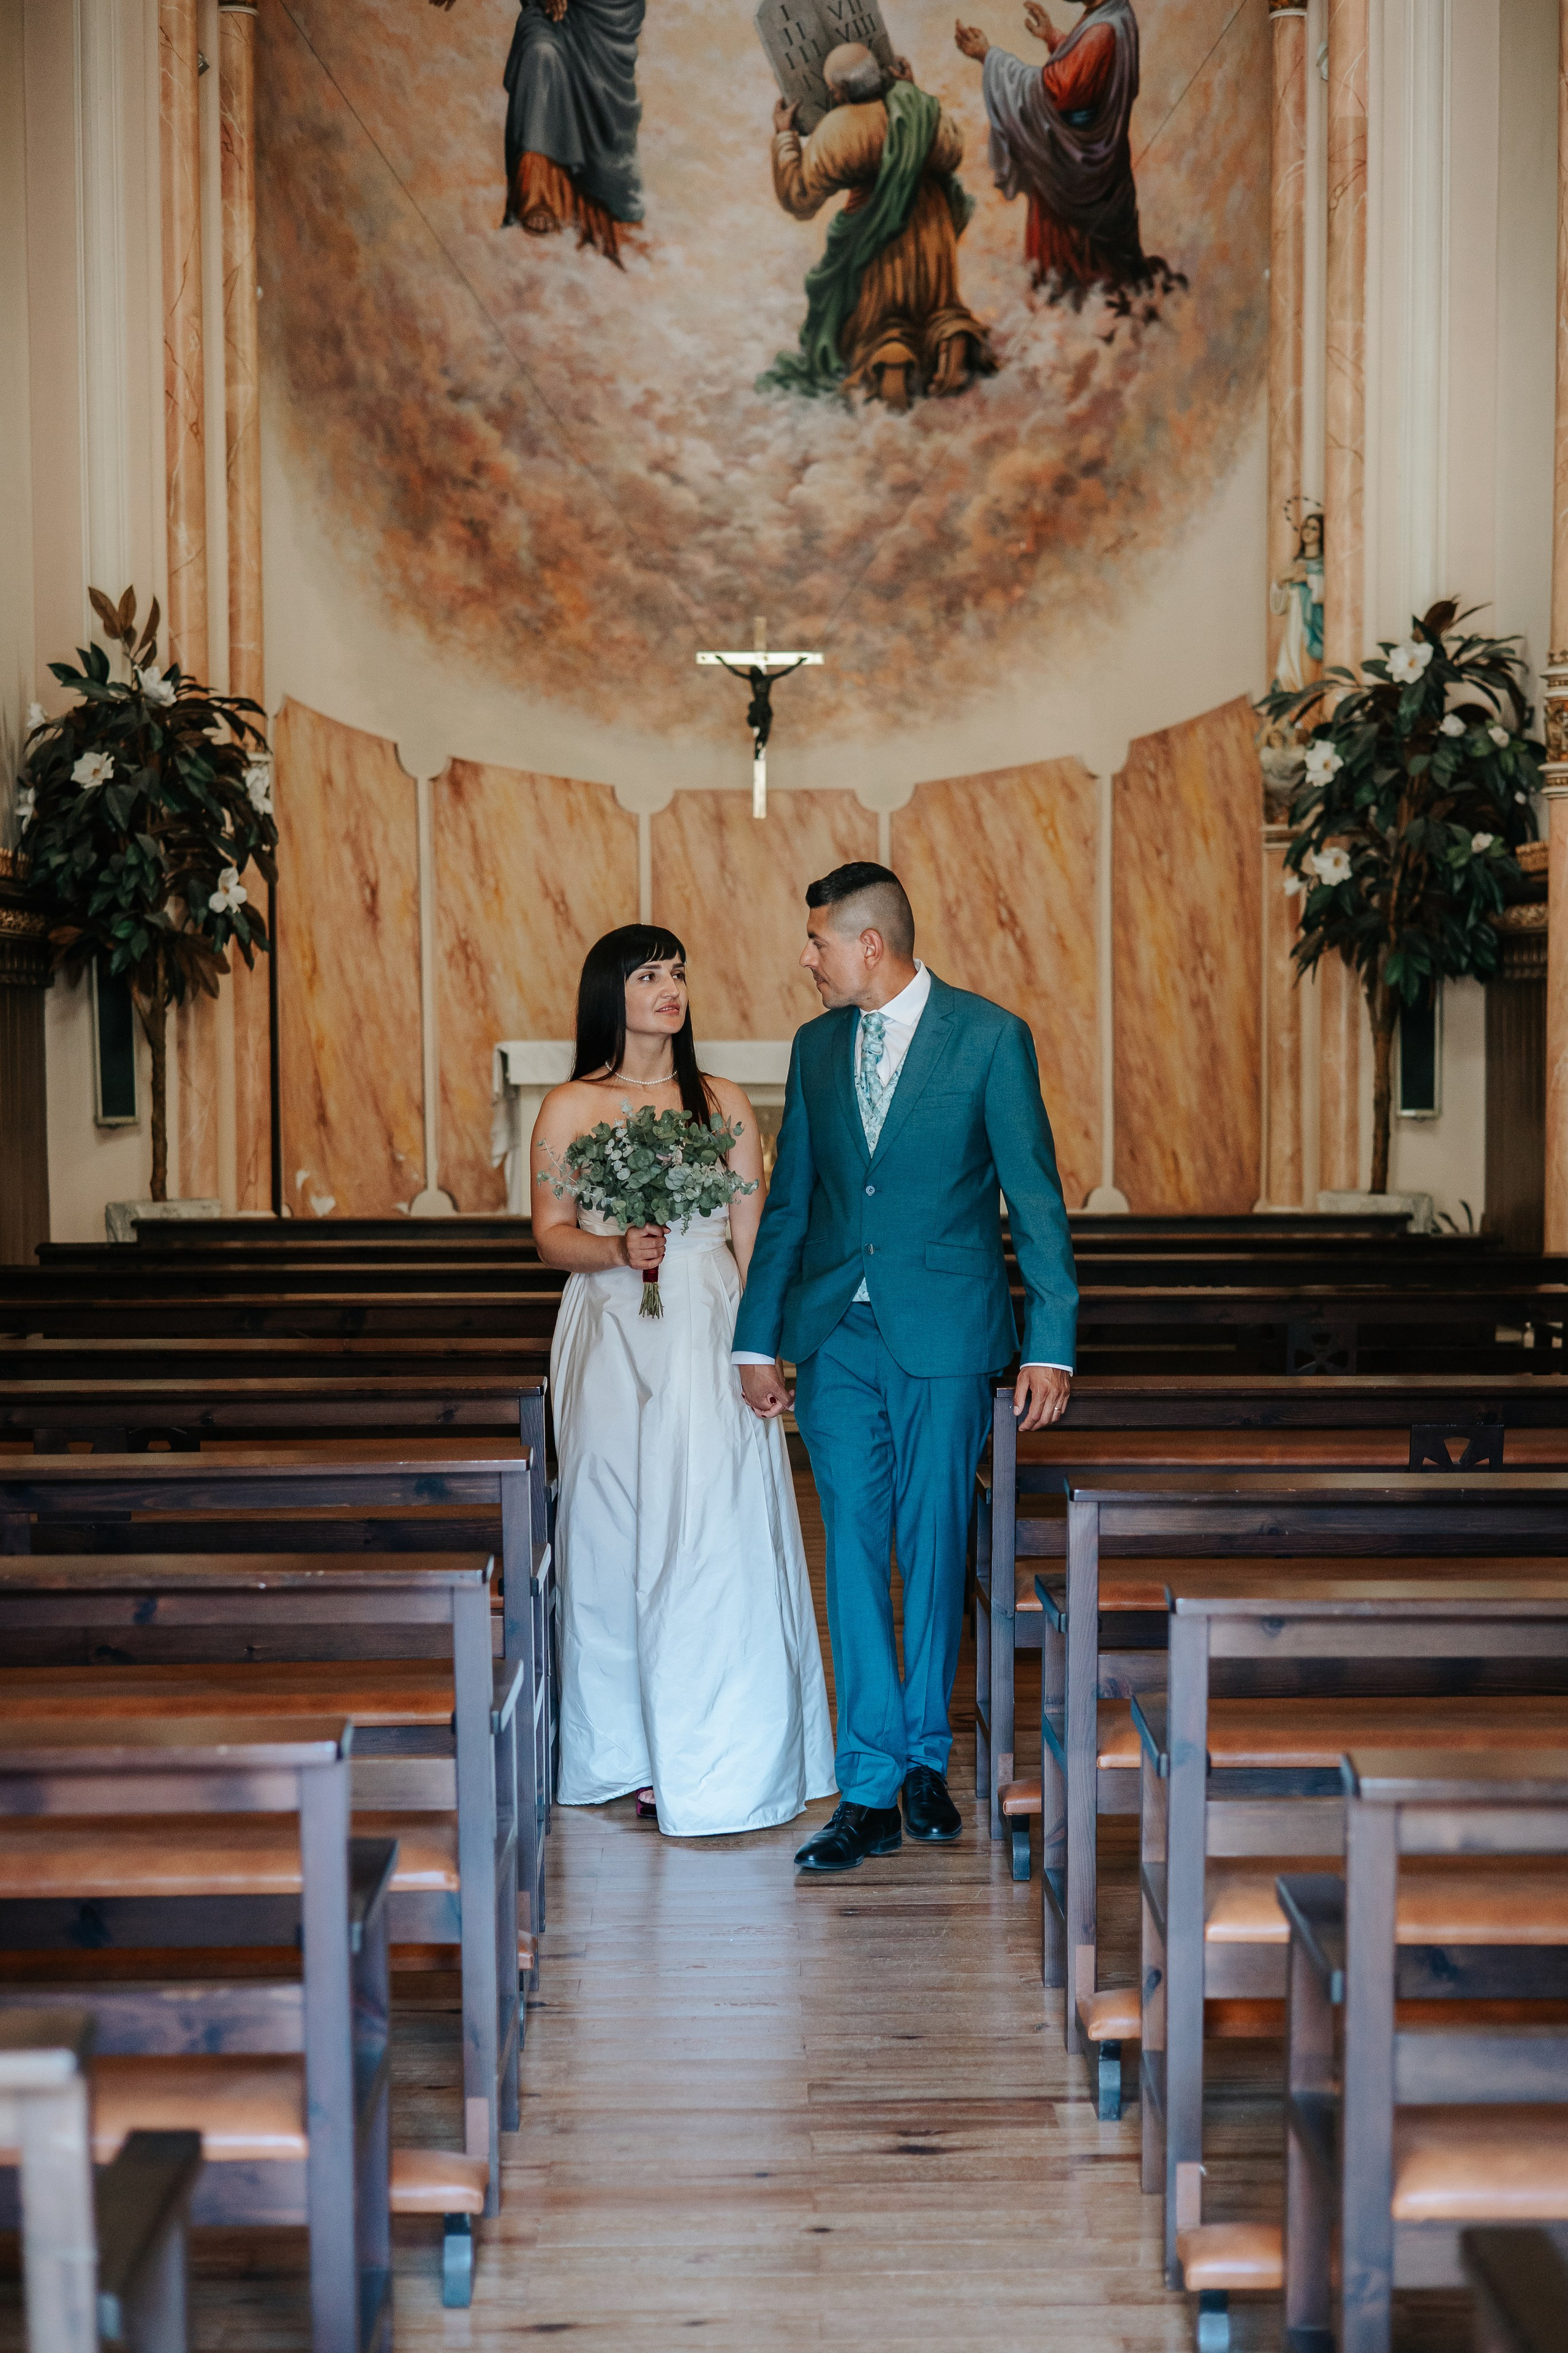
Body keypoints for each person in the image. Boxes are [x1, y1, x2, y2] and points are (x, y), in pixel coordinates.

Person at [732, 865, 1078, 1875]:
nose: (807, 959)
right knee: (850, 1545)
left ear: (868, 944)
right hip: (837, 1334)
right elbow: (792, 1201)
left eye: (816, 943)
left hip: (949, 1336)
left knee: (934, 1548)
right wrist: (758, 1340)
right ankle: (869, 1783)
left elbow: (1035, 1196)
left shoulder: (989, 1037)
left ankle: (927, 1760)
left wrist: (1049, 1338)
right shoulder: (814, 1046)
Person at [532, 926, 835, 1837]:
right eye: (651, 974)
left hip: (706, 1319)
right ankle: (624, 1745)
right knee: (611, 1523)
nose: (672, 988)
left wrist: (764, 1348)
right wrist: (617, 1247)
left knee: (708, 1524)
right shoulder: (570, 1107)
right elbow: (549, 1233)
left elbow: (753, 1238)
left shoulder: (725, 1102)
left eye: (679, 973)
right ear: (610, 992)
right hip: (611, 1329)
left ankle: (716, 1748)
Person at [760, 42, 996, 409]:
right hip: (932, 223)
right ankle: (952, 338)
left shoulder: (836, 127)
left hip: (875, 230)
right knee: (938, 304)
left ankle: (891, 357)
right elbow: (951, 154)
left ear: (839, 92)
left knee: (882, 319)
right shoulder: (918, 108)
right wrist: (913, 91)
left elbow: (800, 199)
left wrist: (785, 137)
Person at [955, 1, 1147, 297]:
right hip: (1095, 153)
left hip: (1073, 160)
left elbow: (1055, 89)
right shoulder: (1115, 12)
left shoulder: (1103, 30)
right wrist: (1053, 38)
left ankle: (1072, 293)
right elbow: (1086, 71)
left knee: (1078, 276)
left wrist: (989, 57)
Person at [431, 0, 646, 265]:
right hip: (549, 10)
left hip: (604, 17)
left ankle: (591, 213)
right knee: (540, 52)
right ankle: (538, 195)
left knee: (600, 102)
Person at [1269, 510, 1325, 693]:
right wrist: (1279, 582)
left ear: (1322, 534)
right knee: (1285, 670)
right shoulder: (1295, 563)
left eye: (1314, 528)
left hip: (1310, 623)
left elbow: (1327, 592)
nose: (1307, 531)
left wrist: (1307, 578)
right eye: (1305, 527)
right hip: (1293, 623)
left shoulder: (1324, 564)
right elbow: (1280, 606)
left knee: (1305, 673)